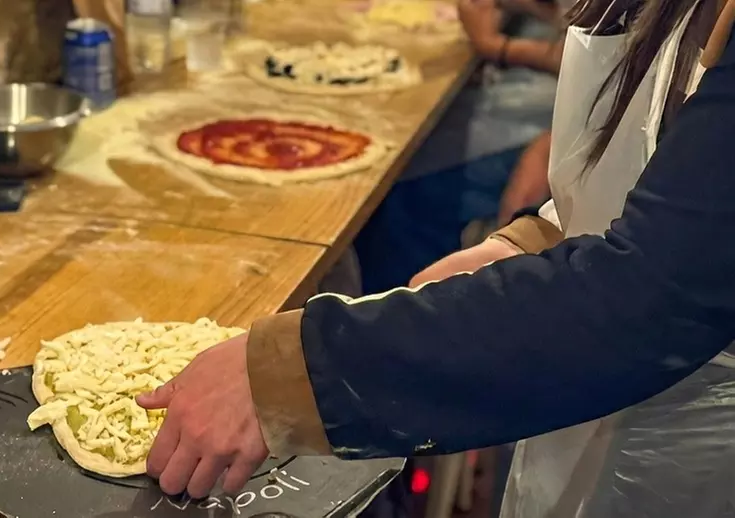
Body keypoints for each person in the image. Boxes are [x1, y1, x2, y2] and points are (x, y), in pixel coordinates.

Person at [136, 1, 735, 517]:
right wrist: (535, 239)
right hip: (617, 406)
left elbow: (652, 295)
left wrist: (287, 374)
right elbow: (682, 192)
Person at [355, 0, 561, 294]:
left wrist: (495, 46)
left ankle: (401, 313)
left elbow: (603, 57)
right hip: (549, 110)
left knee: (397, 179)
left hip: (551, 128)